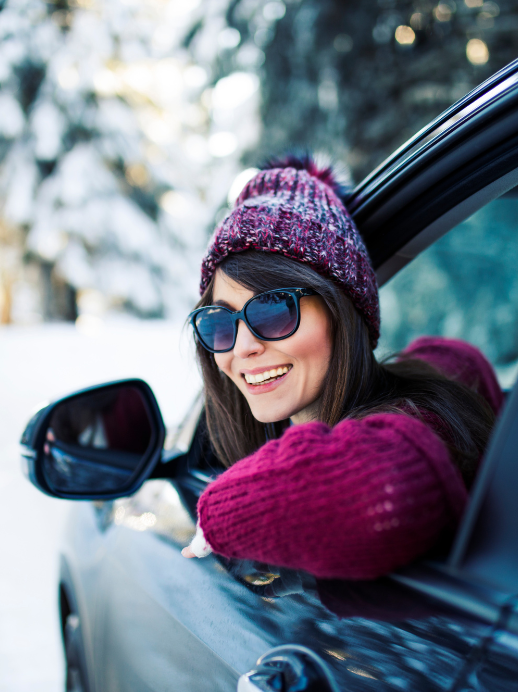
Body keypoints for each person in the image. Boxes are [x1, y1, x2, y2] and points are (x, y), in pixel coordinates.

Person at [180, 155, 502, 580]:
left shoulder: (420, 422)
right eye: (219, 323)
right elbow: (453, 359)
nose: (242, 348)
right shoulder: (439, 376)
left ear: (342, 311)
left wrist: (220, 511)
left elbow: (380, 486)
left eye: (275, 310)